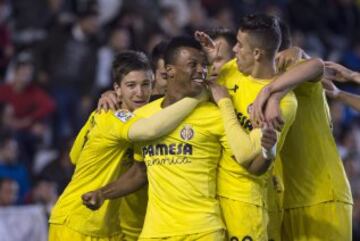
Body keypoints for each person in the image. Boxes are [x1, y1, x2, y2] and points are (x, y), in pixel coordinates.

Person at [82, 36, 278, 241]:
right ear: (170, 71)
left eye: (203, 65)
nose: (201, 71)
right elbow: (139, 173)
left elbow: (251, 166)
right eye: (193, 64)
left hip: (202, 230)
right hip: (155, 232)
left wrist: (268, 151)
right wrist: (103, 194)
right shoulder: (143, 117)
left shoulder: (213, 114)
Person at [48, 50, 209, 241]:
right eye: (131, 85)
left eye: (145, 84)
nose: (139, 93)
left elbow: (75, 156)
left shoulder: (101, 114)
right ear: (118, 89)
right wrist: (198, 97)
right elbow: (148, 130)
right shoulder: (114, 115)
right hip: (78, 222)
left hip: (107, 226)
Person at [195, 14, 298, 241]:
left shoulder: (283, 104)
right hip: (209, 199)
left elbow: (249, 161)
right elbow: (198, 93)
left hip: (244, 204)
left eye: (240, 45)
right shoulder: (232, 70)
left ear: (257, 54)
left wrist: (225, 103)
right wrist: (210, 61)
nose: (234, 50)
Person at [250, 46, 352, 241]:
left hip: (322, 198)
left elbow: (313, 64)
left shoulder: (300, 77)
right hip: (285, 202)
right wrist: (339, 93)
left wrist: (273, 92)